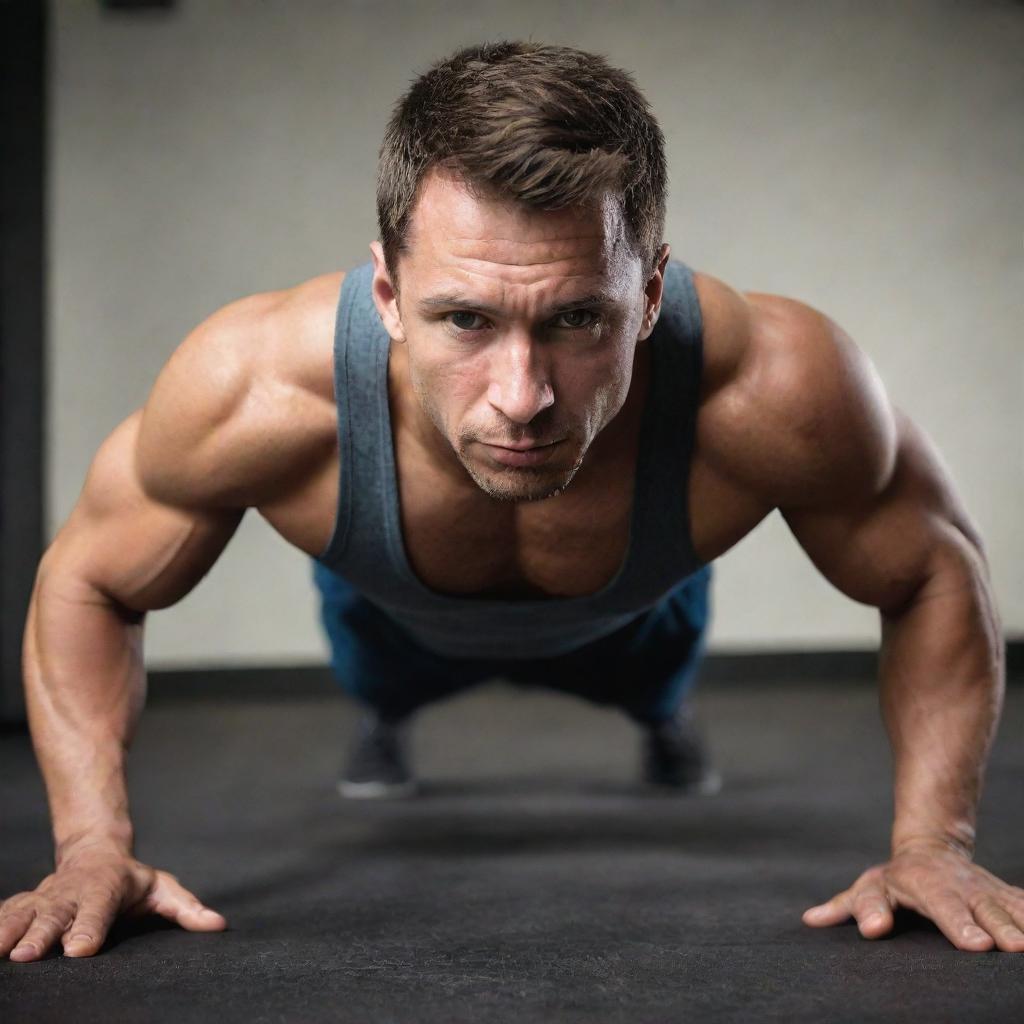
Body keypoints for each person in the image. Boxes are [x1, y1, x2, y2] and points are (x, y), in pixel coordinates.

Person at [1, 40, 1019, 964]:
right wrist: (91, 848)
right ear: (389, 296)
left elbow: (931, 568)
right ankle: (390, 712)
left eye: (580, 318)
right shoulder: (254, 384)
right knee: (376, 676)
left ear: (652, 292)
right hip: (386, 616)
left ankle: (663, 716)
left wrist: (933, 844)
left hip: (634, 613)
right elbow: (88, 577)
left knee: (659, 674)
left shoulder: (776, 384)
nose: (523, 396)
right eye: (464, 318)